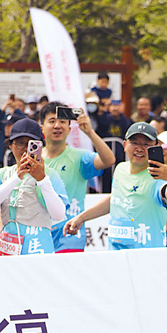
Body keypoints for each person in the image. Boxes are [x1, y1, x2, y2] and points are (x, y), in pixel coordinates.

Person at [63, 122, 167, 250]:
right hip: (115, 252)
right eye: (134, 143)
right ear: (125, 145)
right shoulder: (120, 169)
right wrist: (81, 218)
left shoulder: (158, 176)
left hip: (145, 254)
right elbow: (115, 199)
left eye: (146, 144)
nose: (139, 148)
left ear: (155, 147)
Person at [0, 118, 68, 256]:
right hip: (8, 247)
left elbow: (59, 215)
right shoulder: (1, 174)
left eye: (31, 144)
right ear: (10, 145)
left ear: (40, 146)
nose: (25, 149)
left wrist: (42, 179)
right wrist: (17, 176)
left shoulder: (50, 174)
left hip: (38, 246)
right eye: (19, 143)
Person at [39, 103, 116, 253]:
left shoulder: (79, 157)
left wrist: (90, 132)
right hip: (40, 235)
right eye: (52, 121)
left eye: (62, 122)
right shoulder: (34, 159)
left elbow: (109, 160)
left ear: (69, 128)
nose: (57, 126)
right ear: (42, 127)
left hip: (70, 234)